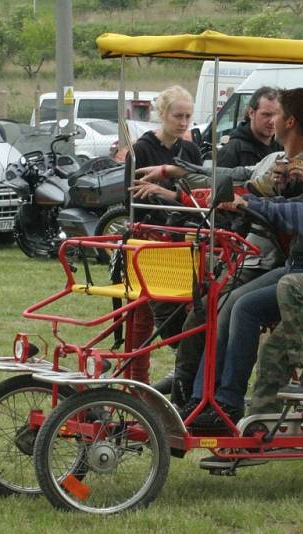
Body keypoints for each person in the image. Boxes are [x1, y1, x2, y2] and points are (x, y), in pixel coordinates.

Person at [183, 94, 303, 428]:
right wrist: (253, 201)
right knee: (234, 302)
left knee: (285, 287)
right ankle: (212, 401)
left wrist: (257, 204)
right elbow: (297, 204)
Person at [132, 88, 303, 403]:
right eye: (177, 116)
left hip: (269, 259)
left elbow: (246, 195)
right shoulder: (279, 159)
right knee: (202, 306)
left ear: (288, 120)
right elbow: (235, 179)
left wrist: (179, 193)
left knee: (220, 306)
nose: (271, 122)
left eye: (276, 115)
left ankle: (211, 398)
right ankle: (191, 390)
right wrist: (175, 173)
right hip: (250, 254)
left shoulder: (301, 168)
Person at [124, 85, 203, 384]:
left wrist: (168, 194)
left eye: (188, 116)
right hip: (150, 239)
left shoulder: (191, 150)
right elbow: (130, 198)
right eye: (177, 115)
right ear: (163, 114)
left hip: (184, 239)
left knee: (184, 312)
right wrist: (171, 196)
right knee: (140, 319)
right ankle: (137, 385)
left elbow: (198, 195)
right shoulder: (142, 149)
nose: (183, 122)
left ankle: (185, 376)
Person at [217, 86, 281, 168]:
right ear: (251, 113)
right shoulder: (231, 151)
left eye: (277, 115)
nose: (272, 121)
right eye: (266, 115)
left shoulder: (284, 147)